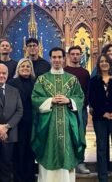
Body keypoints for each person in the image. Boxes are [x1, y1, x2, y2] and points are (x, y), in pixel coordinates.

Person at [31, 47, 86, 182]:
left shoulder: (72, 79)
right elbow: (34, 99)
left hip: (67, 125)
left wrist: (69, 100)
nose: (57, 60)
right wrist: (50, 100)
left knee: (67, 154)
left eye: (59, 57)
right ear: (50, 59)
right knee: (49, 153)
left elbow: (80, 97)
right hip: (48, 126)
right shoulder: (42, 79)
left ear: (63, 58)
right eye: (54, 57)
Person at [89, 54, 112, 182]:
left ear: (110, 64)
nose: (104, 63)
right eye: (101, 61)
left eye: (106, 61)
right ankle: (103, 178)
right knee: (101, 147)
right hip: (100, 118)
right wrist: (103, 113)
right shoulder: (94, 80)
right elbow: (92, 100)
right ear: (98, 64)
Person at [7, 59, 37, 182]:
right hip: (17, 124)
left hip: (33, 123)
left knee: (31, 153)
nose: (25, 68)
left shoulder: (37, 82)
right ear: (18, 69)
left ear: (31, 69)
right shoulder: (11, 83)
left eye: (28, 66)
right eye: (22, 66)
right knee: (18, 153)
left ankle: (30, 179)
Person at [64, 46, 91, 174]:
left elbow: (88, 92)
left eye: (77, 54)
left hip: (81, 110)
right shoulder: (64, 71)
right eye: (73, 54)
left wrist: (81, 105)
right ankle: (68, 162)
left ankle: (80, 162)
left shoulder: (85, 73)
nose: (75, 56)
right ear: (69, 56)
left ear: (81, 56)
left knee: (80, 136)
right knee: (66, 136)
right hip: (65, 109)